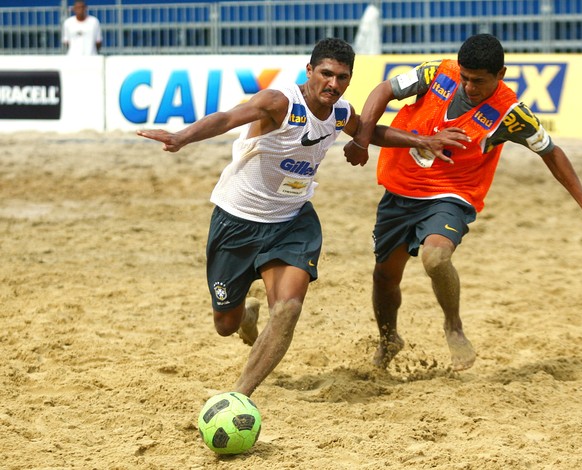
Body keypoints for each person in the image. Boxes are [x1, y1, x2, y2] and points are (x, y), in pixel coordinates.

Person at [137, 38, 469, 397]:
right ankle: (246, 316)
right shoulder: (279, 102)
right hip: (237, 220)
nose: (334, 84)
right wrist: (182, 137)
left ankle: (239, 395)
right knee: (225, 324)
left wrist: (421, 140)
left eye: (343, 77)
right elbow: (228, 117)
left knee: (287, 308)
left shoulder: (340, 111)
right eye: (327, 74)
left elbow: (369, 132)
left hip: (293, 222)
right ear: (309, 71)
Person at [343, 33, 582, 372]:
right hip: (399, 189)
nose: (469, 86)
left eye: (479, 81)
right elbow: (383, 89)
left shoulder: (511, 114)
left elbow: (551, 152)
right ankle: (389, 340)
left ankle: (454, 327)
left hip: (452, 195)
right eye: (465, 77)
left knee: (435, 257)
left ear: (500, 75)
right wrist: (363, 135)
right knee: (385, 277)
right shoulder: (437, 73)